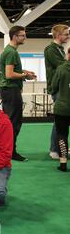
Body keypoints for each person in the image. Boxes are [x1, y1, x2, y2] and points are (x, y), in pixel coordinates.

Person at [0, 25, 36, 162]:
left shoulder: (10, 51)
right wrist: (24, 76)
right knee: (13, 123)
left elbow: (10, 71)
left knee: (11, 122)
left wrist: (24, 73)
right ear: (15, 37)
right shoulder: (11, 52)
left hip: (9, 90)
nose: (25, 37)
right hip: (10, 90)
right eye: (22, 35)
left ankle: (8, 150)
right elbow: (9, 74)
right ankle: (10, 152)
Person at [44, 24, 69, 160]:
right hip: (58, 88)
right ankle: (55, 149)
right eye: (66, 34)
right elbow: (62, 66)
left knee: (62, 120)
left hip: (63, 88)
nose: (68, 36)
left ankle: (62, 148)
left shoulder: (60, 49)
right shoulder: (51, 49)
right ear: (58, 36)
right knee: (59, 120)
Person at [50, 47, 70, 172]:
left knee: (62, 135)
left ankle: (63, 163)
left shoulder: (61, 68)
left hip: (62, 108)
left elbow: (54, 86)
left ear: (68, 54)